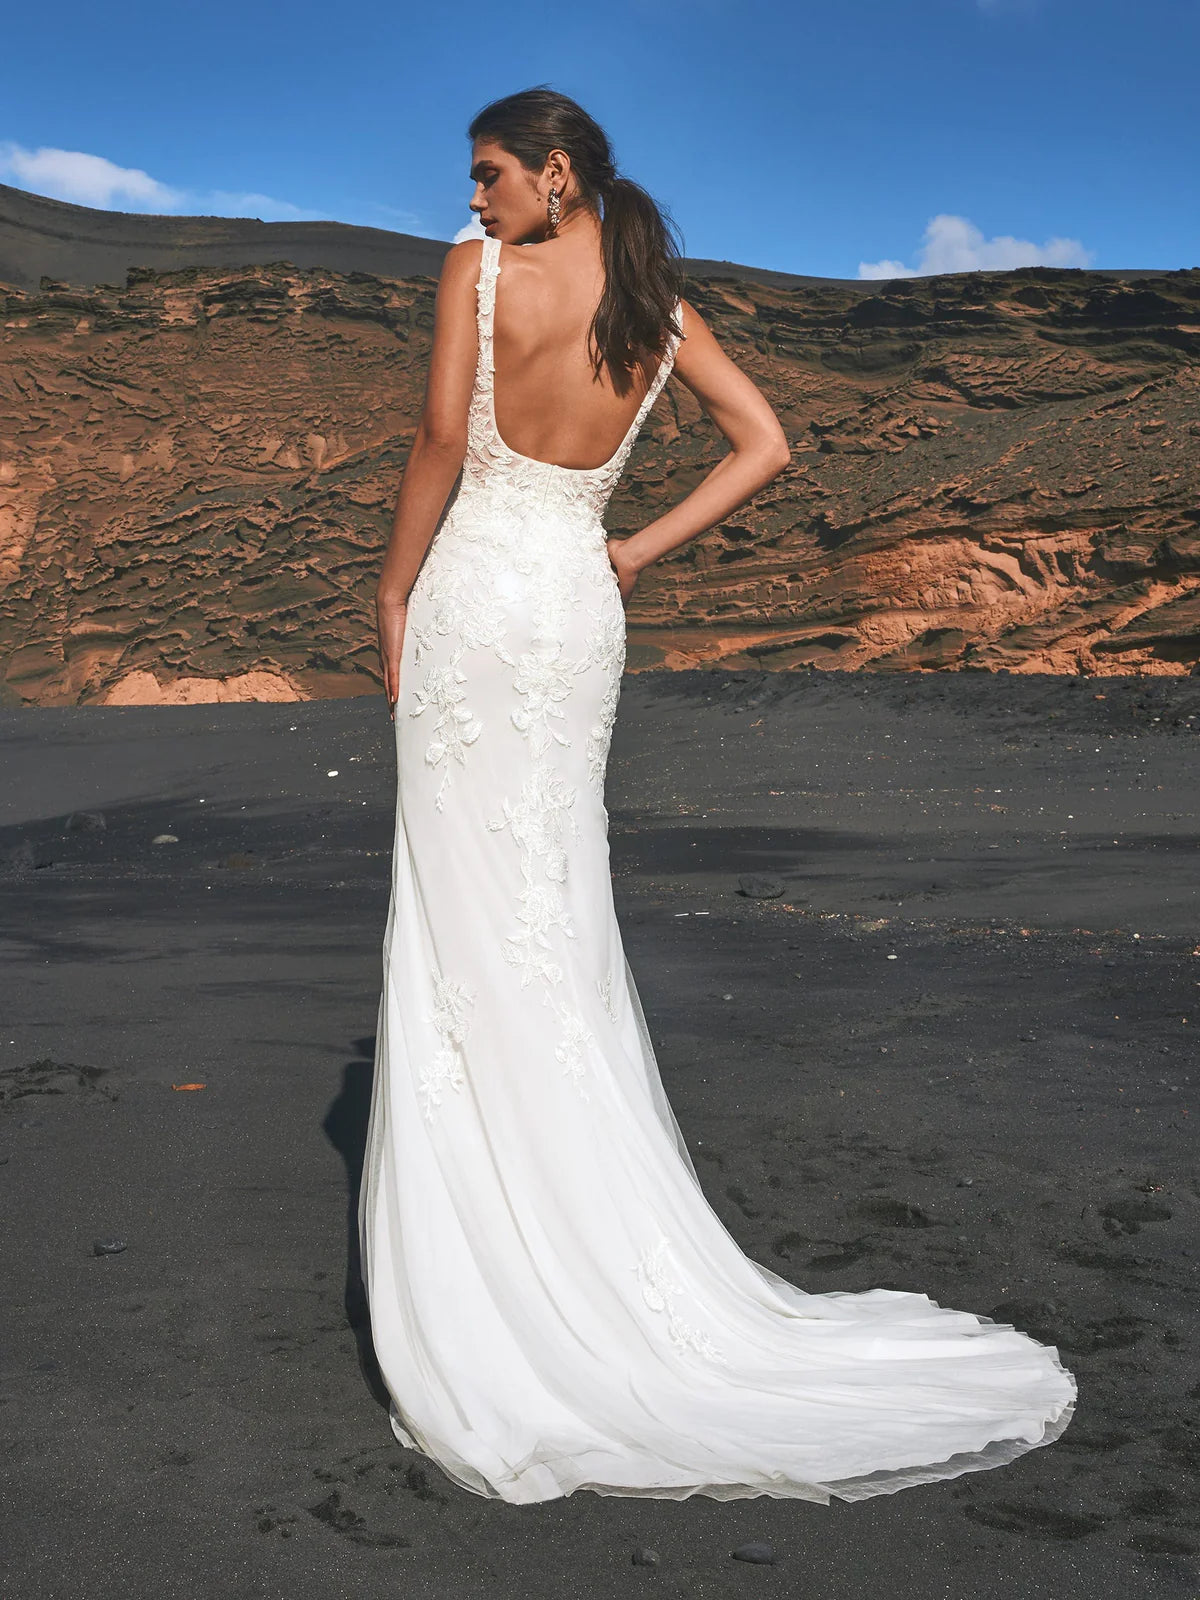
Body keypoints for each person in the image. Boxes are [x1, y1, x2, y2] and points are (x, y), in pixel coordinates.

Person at [359, 86, 1075, 1505]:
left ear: (558, 175)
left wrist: (387, 591)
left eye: (494, 171)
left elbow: (443, 441)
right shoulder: (660, 315)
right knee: (548, 906)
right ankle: (587, 1238)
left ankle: (498, 1262)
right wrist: (633, 553)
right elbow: (769, 445)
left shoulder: (475, 269)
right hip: (572, 600)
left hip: (479, 596)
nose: (477, 194)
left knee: (462, 910)